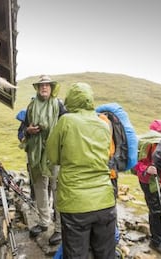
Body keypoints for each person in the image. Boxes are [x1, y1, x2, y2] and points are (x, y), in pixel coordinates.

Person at [46, 82, 117, 259]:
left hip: (75, 202)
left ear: (71, 100)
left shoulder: (66, 121)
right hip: (105, 200)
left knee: (76, 254)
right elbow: (108, 154)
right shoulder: (103, 124)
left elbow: (53, 157)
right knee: (106, 254)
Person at [23, 75, 66, 245]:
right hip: (36, 153)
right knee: (40, 187)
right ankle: (43, 222)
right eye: (41, 85)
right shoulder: (31, 106)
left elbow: (66, 127)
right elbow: (23, 129)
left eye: (47, 85)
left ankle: (60, 229)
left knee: (57, 190)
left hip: (54, 154)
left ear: (51, 87)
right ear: (37, 88)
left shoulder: (59, 105)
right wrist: (28, 130)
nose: (44, 88)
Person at [132, 119, 161, 256]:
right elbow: (134, 164)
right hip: (147, 181)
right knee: (156, 210)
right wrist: (147, 169)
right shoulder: (145, 144)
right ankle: (156, 241)